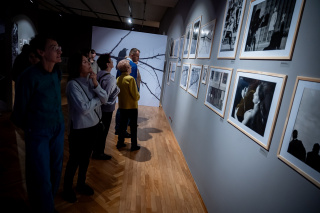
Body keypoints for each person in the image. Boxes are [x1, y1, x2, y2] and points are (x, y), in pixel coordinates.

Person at [11, 33, 64, 213]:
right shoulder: (28, 77)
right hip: (38, 131)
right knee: (40, 175)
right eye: (53, 48)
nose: (59, 51)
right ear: (41, 52)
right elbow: (19, 112)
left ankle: (46, 204)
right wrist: (31, 129)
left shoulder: (56, 72)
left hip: (57, 127)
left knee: (56, 170)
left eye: (59, 47)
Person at [62, 52, 109, 203]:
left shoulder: (91, 81)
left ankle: (81, 184)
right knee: (74, 160)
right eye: (84, 61)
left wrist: (95, 83)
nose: (89, 63)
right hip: (79, 130)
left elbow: (105, 98)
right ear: (77, 66)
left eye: (88, 61)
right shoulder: (72, 85)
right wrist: (98, 100)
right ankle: (67, 189)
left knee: (85, 159)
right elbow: (83, 108)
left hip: (93, 127)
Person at [92, 54, 120, 160]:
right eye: (111, 61)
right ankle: (99, 153)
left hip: (96, 108)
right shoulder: (110, 79)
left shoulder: (97, 75)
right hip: (106, 109)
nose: (113, 63)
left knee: (98, 130)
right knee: (103, 131)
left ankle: (95, 150)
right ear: (108, 64)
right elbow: (106, 98)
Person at [115, 48, 141, 135]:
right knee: (127, 112)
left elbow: (117, 77)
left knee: (120, 110)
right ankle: (123, 130)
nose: (138, 58)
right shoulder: (133, 66)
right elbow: (132, 81)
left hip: (120, 91)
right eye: (137, 56)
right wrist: (136, 94)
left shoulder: (121, 63)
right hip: (129, 94)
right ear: (132, 55)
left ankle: (118, 129)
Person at [116, 59, 140, 151]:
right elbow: (135, 94)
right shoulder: (130, 79)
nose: (131, 69)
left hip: (122, 106)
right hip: (132, 107)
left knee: (122, 125)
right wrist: (138, 97)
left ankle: (120, 142)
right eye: (129, 67)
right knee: (133, 127)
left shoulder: (118, 79)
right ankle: (134, 145)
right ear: (127, 68)